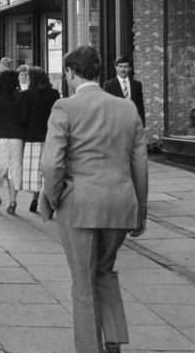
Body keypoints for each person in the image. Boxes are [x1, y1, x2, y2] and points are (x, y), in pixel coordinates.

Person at [40, 45, 148, 353]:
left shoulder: (65, 107)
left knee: (83, 282)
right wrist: (141, 209)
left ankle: (89, 348)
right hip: (120, 202)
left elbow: (52, 163)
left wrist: (54, 197)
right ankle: (112, 337)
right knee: (105, 270)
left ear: (71, 73)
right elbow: (140, 163)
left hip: (80, 204)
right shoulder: (127, 108)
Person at [0, 70, 28, 215]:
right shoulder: (21, 97)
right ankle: (13, 201)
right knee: (14, 169)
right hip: (16, 137)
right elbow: (24, 119)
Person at [22, 66, 60, 213]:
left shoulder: (27, 95)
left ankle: (35, 198)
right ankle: (47, 201)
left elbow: (23, 117)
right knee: (48, 171)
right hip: (51, 136)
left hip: (32, 137)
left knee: (36, 172)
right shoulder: (54, 94)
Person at [102, 55, 145, 126]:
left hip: (133, 123)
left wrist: (142, 124)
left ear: (130, 68)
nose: (123, 69)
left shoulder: (137, 85)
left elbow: (140, 106)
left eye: (125, 66)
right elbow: (106, 108)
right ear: (116, 68)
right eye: (120, 66)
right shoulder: (108, 85)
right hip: (116, 124)